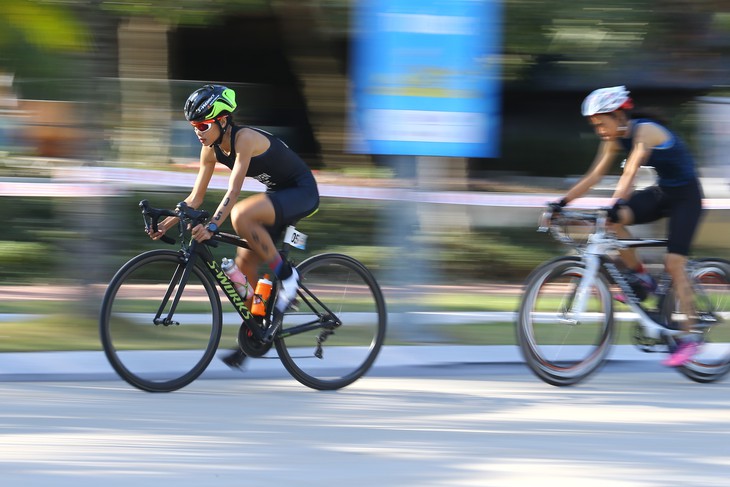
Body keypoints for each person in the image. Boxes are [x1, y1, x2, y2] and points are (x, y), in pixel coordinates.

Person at [148, 84, 320, 368]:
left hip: (301, 192)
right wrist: (167, 223)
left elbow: (234, 189)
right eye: (193, 126)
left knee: (241, 216)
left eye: (203, 125)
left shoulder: (245, 139)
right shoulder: (210, 150)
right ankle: (261, 331)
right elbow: (195, 197)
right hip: (278, 196)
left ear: (222, 120)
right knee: (243, 268)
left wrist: (214, 225)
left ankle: (289, 278)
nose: (198, 132)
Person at [550, 85, 705, 367]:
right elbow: (593, 176)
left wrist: (616, 200)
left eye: (601, 122)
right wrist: (561, 202)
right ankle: (641, 277)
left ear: (619, 115)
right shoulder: (613, 139)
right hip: (663, 193)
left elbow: (631, 170)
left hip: (688, 198)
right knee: (611, 221)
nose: (599, 129)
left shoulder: (645, 130)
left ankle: (690, 337)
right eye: (594, 124)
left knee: (674, 263)